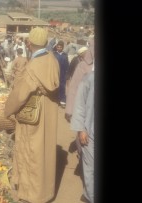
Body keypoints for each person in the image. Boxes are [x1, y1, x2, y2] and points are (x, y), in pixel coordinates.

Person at [4, 27, 60, 203]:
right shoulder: (52, 60)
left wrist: (8, 110)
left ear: (29, 43)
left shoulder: (33, 67)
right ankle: (45, 192)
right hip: (48, 114)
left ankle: (31, 195)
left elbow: (20, 95)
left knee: (31, 153)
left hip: (32, 116)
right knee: (45, 152)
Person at [70, 68, 94, 203]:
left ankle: (88, 193)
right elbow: (80, 105)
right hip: (90, 131)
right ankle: (91, 196)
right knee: (91, 166)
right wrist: (81, 129)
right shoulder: (89, 78)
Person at [53, 40, 69, 107]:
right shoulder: (54, 54)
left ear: (62, 48)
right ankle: (55, 100)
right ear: (56, 47)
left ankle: (62, 101)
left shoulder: (65, 55)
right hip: (55, 73)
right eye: (58, 47)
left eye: (60, 47)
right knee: (55, 87)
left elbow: (67, 65)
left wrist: (67, 74)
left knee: (62, 87)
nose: (59, 48)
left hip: (62, 74)